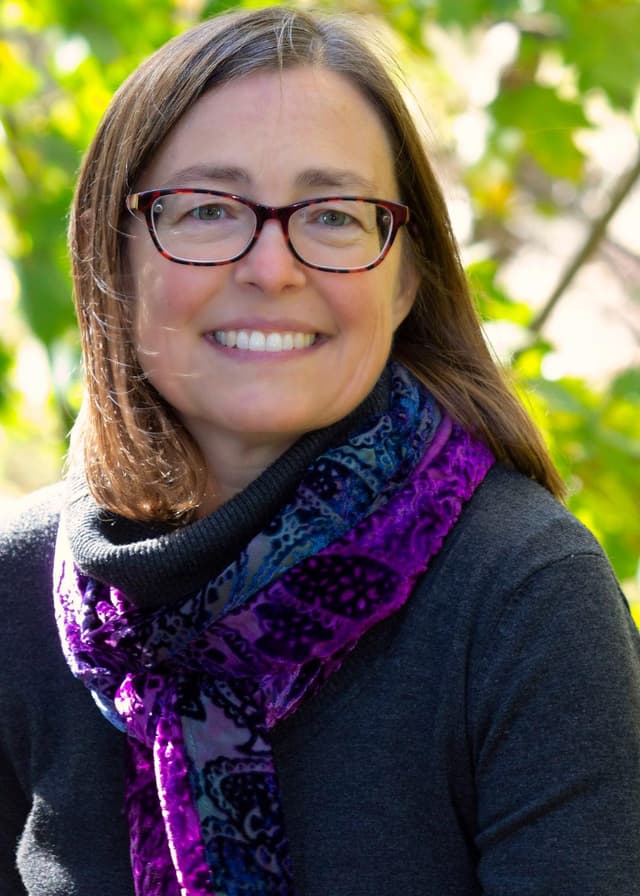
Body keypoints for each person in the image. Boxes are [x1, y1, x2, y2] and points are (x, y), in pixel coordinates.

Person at [1, 5, 639, 895]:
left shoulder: (524, 594)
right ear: (113, 256)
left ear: (408, 275)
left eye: (335, 216)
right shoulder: (17, 590)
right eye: (209, 210)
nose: (272, 268)